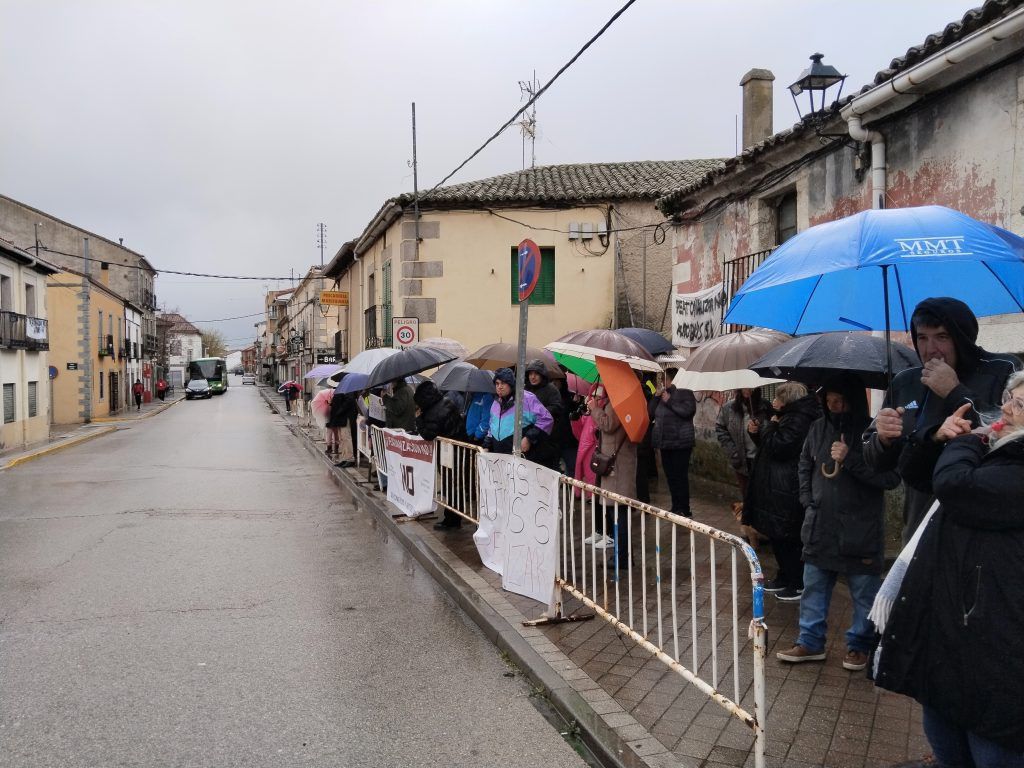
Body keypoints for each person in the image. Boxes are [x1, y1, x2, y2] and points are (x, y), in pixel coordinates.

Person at [874, 370, 1024, 766]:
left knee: (991, 747)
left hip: (997, 640)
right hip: (955, 625)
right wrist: (936, 437)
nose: (1006, 407)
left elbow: (955, 485)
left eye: (1019, 405)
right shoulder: (998, 447)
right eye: (1010, 397)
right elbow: (917, 474)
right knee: (946, 739)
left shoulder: (1006, 459)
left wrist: (970, 439)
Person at [864, 297, 1021, 543]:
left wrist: (955, 393)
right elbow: (877, 462)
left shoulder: (1003, 369)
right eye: (922, 337)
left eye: (942, 337)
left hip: (982, 523)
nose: (930, 349)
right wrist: (882, 440)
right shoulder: (905, 381)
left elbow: (1007, 437)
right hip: (920, 523)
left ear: (962, 338)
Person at [776, 376, 899, 670]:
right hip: (821, 525)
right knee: (813, 588)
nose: (833, 406)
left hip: (861, 529)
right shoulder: (818, 428)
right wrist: (808, 500)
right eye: (829, 401)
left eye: (839, 401)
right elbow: (805, 464)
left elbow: (889, 479)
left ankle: (860, 646)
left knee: (864, 593)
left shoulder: (874, 433)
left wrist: (850, 459)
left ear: (854, 401)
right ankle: (810, 641)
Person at [743, 381, 820, 602]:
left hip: (787, 487)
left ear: (787, 400)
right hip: (775, 485)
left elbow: (781, 446)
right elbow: (768, 445)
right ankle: (784, 576)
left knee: (788, 536)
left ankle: (797, 582)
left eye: (778, 398)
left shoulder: (799, 419)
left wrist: (769, 427)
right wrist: (757, 433)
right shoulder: (787, 418)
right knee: (778, 535)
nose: (773, 402)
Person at [589, 384, 638, 569]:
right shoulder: (616, 399)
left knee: (619, 513)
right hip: (615, 465)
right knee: (616, 512)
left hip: (617, 467)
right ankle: (621, 556)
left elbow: (608, 424)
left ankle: (622, 558)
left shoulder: (621, 400)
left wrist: (595, 409)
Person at [413, 381, 467, 531]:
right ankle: (452, 517)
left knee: (452, 485)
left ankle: (453, 520)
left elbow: (428, 434)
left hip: (450, 452)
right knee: (454, 485)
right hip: (457, 449)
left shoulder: (434, 412)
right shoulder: (445, 401)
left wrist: (419, 418)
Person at [647, 370, 696, 517]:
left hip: (681, 443)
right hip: (664, 442)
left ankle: (685, 509)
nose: (662, 383)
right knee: (670, 476)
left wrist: (669, 400)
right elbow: (649, 413)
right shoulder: (661, 395)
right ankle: (675, 506)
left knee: (680, 476)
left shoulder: (685, 393)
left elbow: (687, 412)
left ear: (673, 379)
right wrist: (656, 397)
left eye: (665, 379)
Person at [480, 368, 553, 461]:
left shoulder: (526, 398)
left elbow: (546, 419)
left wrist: (529, 438)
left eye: (503, 383)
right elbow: (492, 426)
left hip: (521, 457)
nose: (499, 387)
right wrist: (486, 446)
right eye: (497, 384)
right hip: (499, 457)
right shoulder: (496, 402)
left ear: (510, 384)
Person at [715, 388, 765, 499]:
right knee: (747, 496)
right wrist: (733, 452)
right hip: (741, 461)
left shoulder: (764, 407)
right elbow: (720, 428)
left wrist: (758, 429)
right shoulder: (729, 408)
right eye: (744, 387)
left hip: (760, 460)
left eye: (751, 387)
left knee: (761, 498)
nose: (747, 390)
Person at [524, 359, 564, 470]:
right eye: (530, 374)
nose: (533, 377)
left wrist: (539, 412)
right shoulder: (525, 389)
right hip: (529, 438)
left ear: (542, 375)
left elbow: (557, 408)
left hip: (547, 440)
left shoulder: (551, 390)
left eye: (536, 374)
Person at [326, 389, 356, 464]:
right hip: (339, 418)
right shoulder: (340, 388)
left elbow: (349, 401)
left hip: (345, 417)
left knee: (346, 437)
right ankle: (344, 458)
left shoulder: (348, 389)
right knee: (342, 438)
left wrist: (339, 410)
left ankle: (349, 458)